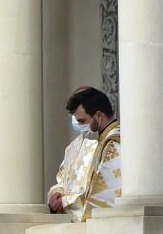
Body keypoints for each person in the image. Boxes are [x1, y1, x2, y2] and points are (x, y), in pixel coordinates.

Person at [48, 86, 122, 221]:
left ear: (98, 116)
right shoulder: (100, 139)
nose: (79, 125)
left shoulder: (114, 143)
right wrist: (57, 192)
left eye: (82, 121)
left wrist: (67, 202)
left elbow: (106, 193)